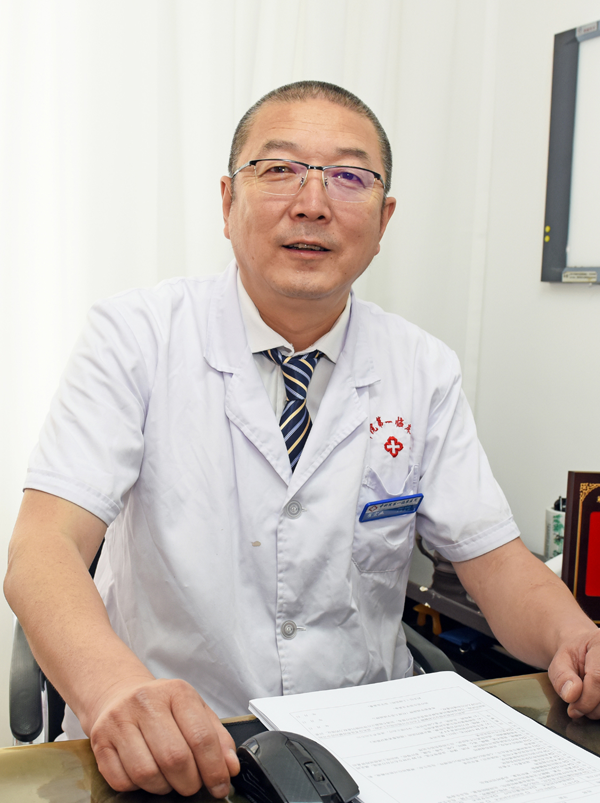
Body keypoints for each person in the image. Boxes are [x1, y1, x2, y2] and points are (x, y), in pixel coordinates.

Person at [5, 80, 600, 798]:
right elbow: (43, 548)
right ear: (228, 201)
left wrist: (575, 638)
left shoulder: (422, 367)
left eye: (349, 177)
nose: (312, 203)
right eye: (279, 168)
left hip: (365, 743)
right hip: (181, 740)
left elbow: (496, 561)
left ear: (382, 219)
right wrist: (114, 690)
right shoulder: (136, 337)